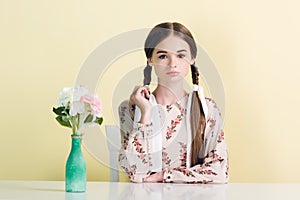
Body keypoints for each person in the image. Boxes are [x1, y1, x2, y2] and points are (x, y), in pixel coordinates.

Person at [118, 22, 229, 183]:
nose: (172, 63)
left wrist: (165, 176)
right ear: (150, 60)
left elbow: (219, 171)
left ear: (192, 58)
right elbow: (136, 173)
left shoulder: (207, 109)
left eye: (180, 55)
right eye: (163, 56)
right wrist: (146, 114)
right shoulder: (132, 108)